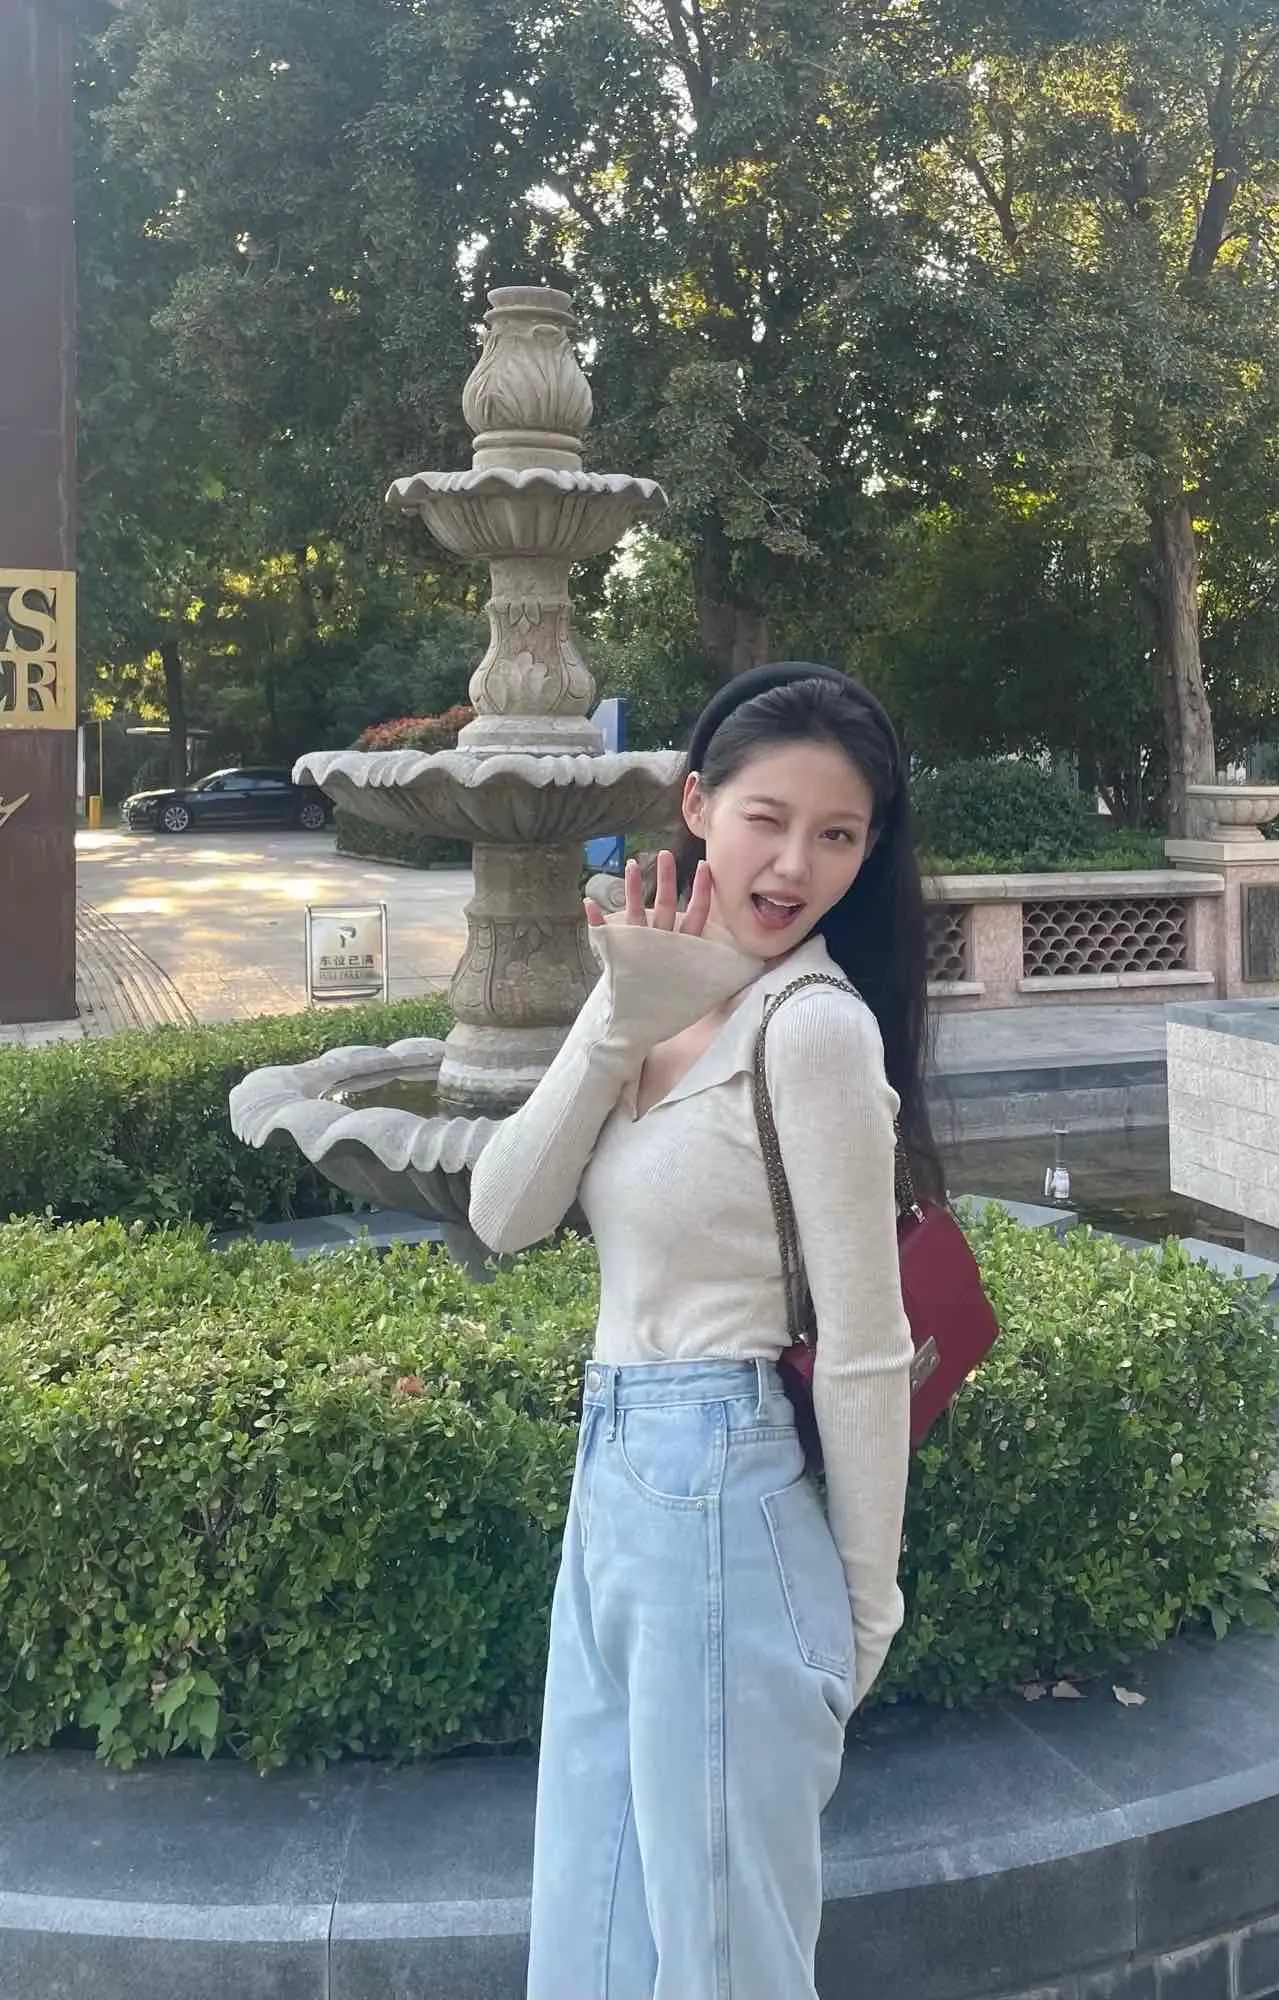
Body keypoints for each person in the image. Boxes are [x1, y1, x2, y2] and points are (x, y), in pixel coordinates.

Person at [468, 661, 944, 1999]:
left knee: (726, 1962)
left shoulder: (816, 1030)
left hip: (729, 1499)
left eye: (838, 834)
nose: (795, 865)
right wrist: (617, 1021)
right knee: (592, 1934)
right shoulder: (654, 989)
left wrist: (864, 1611)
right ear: (696, 806)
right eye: (766, 820)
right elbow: (504, 1213)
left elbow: (866, 1343)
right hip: (615, 1486)